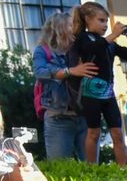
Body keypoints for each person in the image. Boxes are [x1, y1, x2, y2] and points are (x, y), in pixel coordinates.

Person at [66, 2, 127, 166]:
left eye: (107, 21)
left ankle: (123, 168)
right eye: (101, 20)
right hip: (90, 93)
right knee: (94, 132)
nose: (105, 25)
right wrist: (113, 35)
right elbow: (92, 49)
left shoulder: (110, 43)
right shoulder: (83, 38)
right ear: (88, 20)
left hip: (108, 93)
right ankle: (92, 168)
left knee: (118, 133)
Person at [33, 12, 89, 161]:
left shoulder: (79, 49)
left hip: (84, 115)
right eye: (71, 25)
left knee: (92, 166)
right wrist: (68, 72)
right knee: (60, 166)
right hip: (58, 116)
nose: (75, 28)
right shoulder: (43, 51)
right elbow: (40, 73)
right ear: (60, 28)